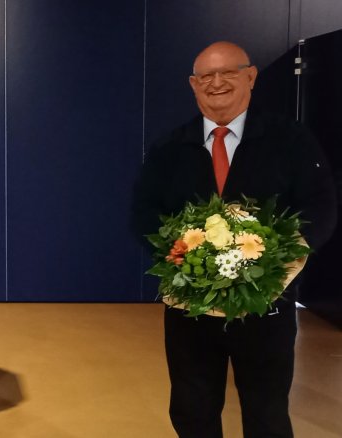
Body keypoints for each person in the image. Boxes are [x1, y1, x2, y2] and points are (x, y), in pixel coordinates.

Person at [133, 41, 337, 437]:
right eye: (206, 76)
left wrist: (279, 259)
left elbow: (321, 206)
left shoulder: (290, 140)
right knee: (193, 406)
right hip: (190, 309)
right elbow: (143, 213)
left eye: (228, 72)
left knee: (267, 409)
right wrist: (179, 256)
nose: (217, 83)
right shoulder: (169, 148)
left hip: (267, 307)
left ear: (251, 76)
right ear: (193, 85)